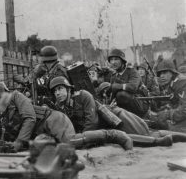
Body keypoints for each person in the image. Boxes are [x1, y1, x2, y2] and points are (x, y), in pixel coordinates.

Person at [0, 83, 134, 152]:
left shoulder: (17, 97)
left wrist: (19, 142)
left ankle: (114, 135)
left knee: (71, 142)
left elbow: (30, 118)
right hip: (41, 132)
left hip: (53, 120)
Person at [50, 76, 186, 147]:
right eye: (55, 91)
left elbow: (92, 122)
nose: (58, 93)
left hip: (116, 119)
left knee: (148, 134)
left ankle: (180, 136)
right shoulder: (60, 108)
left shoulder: (83, 96)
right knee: (144, 136)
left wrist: (83, 138)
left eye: (60, 89)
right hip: (107, 128)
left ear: (68, 89)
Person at [107, 49, 149, 117]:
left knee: (121, 95)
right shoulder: (113, 76)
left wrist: (118, 86)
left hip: (140, 103)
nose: (113, 62)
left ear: (122, 61)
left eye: (116, 59)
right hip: (126, 105)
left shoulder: (132, 72)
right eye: (111, 60)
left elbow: (133, 87)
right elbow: (113, 94)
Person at [149, 60, 186, 133]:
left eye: (165, 73)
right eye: (160, 74)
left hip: (183, 117)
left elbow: (184, 110)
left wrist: (168, 114)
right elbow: (173, 102)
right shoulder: (171, 84)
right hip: (180, 116)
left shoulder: (182, 83)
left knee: (167, 131)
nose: (162, 76)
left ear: (172, 73)